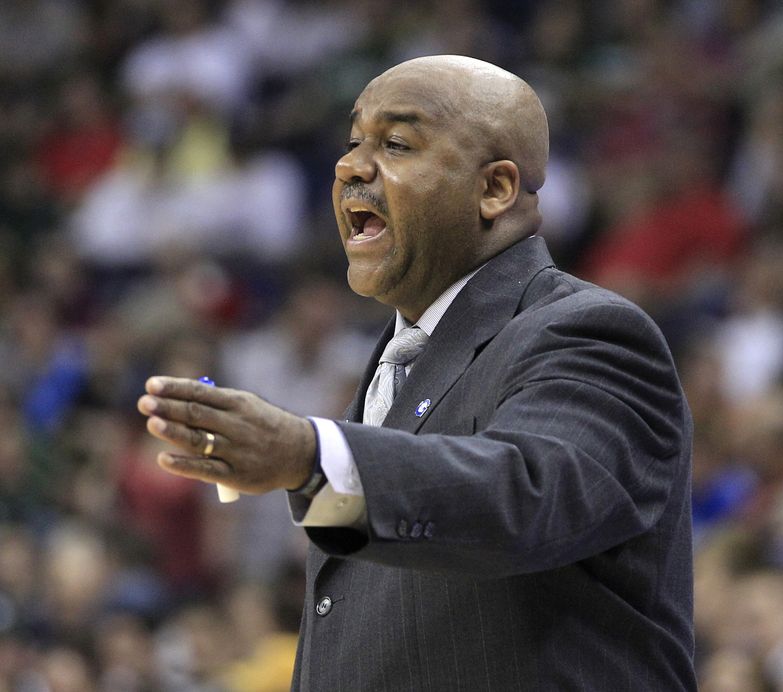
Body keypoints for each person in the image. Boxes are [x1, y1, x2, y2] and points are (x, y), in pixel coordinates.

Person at [138, 55, 696, 690]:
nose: (351, 167)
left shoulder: (586, 331)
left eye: (397, 144)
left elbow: (524, 497)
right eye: (353, 143)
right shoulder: (399, 359)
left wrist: (308, 454)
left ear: (495, 189)